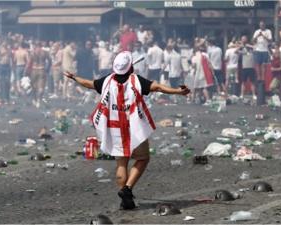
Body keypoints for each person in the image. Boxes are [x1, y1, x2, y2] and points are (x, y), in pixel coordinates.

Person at [63, 51, 190, 210]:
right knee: (143, 158)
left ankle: (125, 200)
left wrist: (74, 78)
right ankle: (127, 189)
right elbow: (157, 87)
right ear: (130, 67)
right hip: (134, 128)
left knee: (121, 162)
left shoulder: (107, 80)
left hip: (114, 129)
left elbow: (89, 83)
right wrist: (179, 91)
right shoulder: (136, 80)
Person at [252, 21, 272, 104]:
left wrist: (263, 35)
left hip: (265, 50)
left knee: (263, 65)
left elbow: (270, 40)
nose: (261, 26)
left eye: (263, 25)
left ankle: (262, 78)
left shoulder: (268, 31)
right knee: (258, 65)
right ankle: (259, 77)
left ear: (265, 25)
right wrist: (257, 35)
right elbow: (253, 40)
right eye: (260, 25)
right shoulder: (256, 31)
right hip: (258, 50)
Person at [30, 42, 51, 108]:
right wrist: (47, 68)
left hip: (34, 69)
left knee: (34, 86)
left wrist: (26, 71)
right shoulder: (44, 53)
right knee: (41, 87)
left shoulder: (33, 52)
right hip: (42, 69)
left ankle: (34, 99)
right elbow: (50, 61)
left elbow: (29, 62)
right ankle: (39, 100)